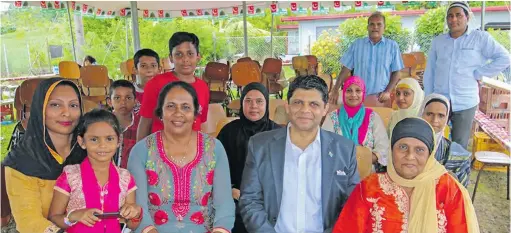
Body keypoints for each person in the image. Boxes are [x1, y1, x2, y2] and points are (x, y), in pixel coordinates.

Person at [239, 75, 360, 233]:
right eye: (298, 103)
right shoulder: (260, 146)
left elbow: (352, 205)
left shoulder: (344, 150)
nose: (305, 110)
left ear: (325, 109)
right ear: (287, 106)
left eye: (313, 104)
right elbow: (250, 200)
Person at [332, 117, 479, 233]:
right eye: (403, 147)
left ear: (430, 154)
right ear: (391, 150)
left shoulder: (448, 190)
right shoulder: (370, 188)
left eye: (419, 150)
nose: (410, 156)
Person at [128, 81, 234, 233]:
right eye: (171, 106)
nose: (178, 113)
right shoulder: (141, 151)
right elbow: (138, 208)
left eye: (186, 107)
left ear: (196, 112)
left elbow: (224, 204)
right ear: (160, 112)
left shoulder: (214, 148)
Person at [2, 78, 87, 233]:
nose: (66, 113)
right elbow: (30, 222)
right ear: (39, 108)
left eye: (73, 105)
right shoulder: (21, 162)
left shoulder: (89, 150)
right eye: (55, 105)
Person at [423, 1, 510, 149]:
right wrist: (429, 97)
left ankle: (457, 172)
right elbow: (430, 71)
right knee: (433, 140)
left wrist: (479, 73)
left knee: (459, 145)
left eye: (458, 15)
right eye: (450, 16)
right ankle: (437, 171)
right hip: (440, 99)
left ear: (467, 17)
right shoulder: (439, 42)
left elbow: (505, 58)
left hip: (465, 102)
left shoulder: (480, 38)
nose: (454, 19)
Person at [48, 109, 141, 233]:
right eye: (94, 139)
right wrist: (73, 216)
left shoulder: (125, 178)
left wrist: (135, 213)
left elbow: (132, 225)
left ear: (118, 140)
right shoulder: (71, 176)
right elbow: (54, 218)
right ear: (82, 142)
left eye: (109, 139)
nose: (102, 145)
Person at [217, 82, 280, 233]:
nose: (254, 106)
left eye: (259, 101)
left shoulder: (278, 133)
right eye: (248, 101)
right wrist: (230, 189)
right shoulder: (229, 132)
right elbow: (215, 167)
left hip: (270, 201)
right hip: (235, 199)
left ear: (266, 104)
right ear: (242, 103)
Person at [137, 32, 210, 142]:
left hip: (192, 151)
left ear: (198, 56)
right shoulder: (156, 84)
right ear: (171, 58)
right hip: (160, 152)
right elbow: (145, 123)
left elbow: (201, 123)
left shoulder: (203, 87)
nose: (185, 59)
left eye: (190, 54)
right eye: (179, 54)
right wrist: (139, 155)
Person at [330, 11, 404, 108]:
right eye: (372, 24)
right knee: (357, 123)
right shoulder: (357, 45)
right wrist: (335, 89)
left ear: (384, 28)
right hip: (357, 98)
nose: (375, 27)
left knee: (380, 123)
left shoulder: (392, 46)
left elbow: (397, 72)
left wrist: (387, 91)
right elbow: (345, 68)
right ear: (367, 27)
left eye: (379, 24)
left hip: (380, 99)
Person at [323, 76, 389, 171]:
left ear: (363, 94)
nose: (353, 95)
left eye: (358, 90)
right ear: (344, 93)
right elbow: (325, 145)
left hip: (367, 171)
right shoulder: (332, 117)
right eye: (349, 91)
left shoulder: (373, 117)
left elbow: (383, 146)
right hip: (338, 169)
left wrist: (363, 160)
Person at [420, 93, 471, 187]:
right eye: (429, 114)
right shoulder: (407, 144)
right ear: (421, 114)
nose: (435, 120)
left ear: (447, 118)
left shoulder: (457, 156)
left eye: (441, 116)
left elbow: (460, 192)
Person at [107, 80, 140, 168]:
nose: (123, 102)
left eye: (128, 98)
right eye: (117, 98)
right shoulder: (102, 124)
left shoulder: (141, 125)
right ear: (109, 102)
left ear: (135, 101)